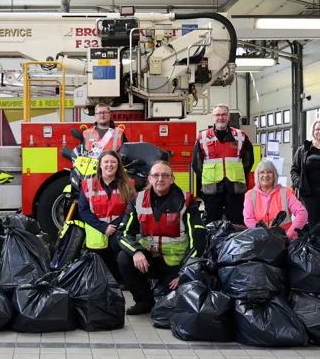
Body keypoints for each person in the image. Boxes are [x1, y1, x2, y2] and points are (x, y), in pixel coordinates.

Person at [118, 161, 206, 315]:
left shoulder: (185, 200)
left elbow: (197, 238)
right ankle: (144, 301)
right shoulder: (137, 200)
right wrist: (136, 252)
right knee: (124, 258)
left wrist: (184, 273)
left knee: (178, 303)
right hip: (148, 260)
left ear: (172, 179)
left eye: (165, 175)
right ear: (149, 178)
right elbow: (123, 233)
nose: (160, 179)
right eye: (156, 175)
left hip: (176, 264)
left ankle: (168, 290)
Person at [77, 149, 135, 282]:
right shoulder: (88, 185)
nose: (110, 165)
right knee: (101, 268)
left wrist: (114, 226)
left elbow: (131, 210)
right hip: (97, 233)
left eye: (113, 162)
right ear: (100, 165)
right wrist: (104, 227)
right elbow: (83, 210)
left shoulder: (128, 185)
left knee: (121, 256)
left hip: (118, 230)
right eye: (106, 162)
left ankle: (121, 282)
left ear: (118, 165)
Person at [192, 104, 255, 225]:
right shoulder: (203, 137)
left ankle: (235, 243)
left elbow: (249, 160)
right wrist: (208, 176)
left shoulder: (240, 136)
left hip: (235, 187)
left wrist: (238, 172)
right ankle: (212, 243)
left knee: (237, 221)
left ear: (229, 117)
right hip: (212, 188)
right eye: (217, 115)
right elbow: (196, 163)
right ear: (213, 117)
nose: (220, 118)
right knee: (211, 221)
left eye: (223, 114)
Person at [245, 159, 307, 238]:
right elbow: (248, 219)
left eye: (269, 172)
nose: (265, 175)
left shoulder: (286, 192)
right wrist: (262, 234)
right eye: (262, 172)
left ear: (274, 175)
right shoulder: (250, 194)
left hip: (284, 239)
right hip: (260, 239)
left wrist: (290, 234)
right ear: (257, 176)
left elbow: (302, 213)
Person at [291, 119, 320, 229]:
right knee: (313, 227)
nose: (319, 131)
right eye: (317, 129)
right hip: (310, 195)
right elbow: (294, 169)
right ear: (312, 131)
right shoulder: (304, 149)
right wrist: (299, 184)